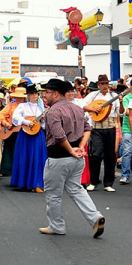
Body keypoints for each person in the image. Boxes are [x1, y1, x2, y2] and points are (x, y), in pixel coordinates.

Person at [40, 78, 105, 238]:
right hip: (77, 158)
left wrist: (71, 150)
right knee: (76, 189)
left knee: (53, 193)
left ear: (55, 94)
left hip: (59, 157)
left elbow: (59, 135)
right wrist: (80, 147)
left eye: (47, 92)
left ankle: (56, 226)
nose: (44, 95)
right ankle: (95, 216)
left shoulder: (53, 111)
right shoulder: (77, 108)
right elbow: (88, 128)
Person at [83, 74, 123, 192]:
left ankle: (108, 183)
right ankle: (94, 181)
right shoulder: (93, 95)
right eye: (103, 84)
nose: (105, 86)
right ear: (99, 85)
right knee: (96, 153)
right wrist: (92, 109)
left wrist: (120, 103)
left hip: (110, 127)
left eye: (107, 83)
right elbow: (82, 105)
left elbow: (120, 113)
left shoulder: (114, 96)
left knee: (110, 156)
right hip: (96, 128)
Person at [10, 84, 47, 192]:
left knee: (37, 157)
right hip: (25, 134)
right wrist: (26, 122)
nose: (35, 96)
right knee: (24, 156)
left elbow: (43, 124)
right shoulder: (23, 106)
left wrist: (43, 119)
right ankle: (24, 182)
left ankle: (36, 183)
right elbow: (15, 117)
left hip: (38, 134)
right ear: (28, 95)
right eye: (32, 94)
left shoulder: (41, 108)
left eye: (36, 93)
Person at [0, 87, 27, 176]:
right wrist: (6, 123)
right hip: (12, 132)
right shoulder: (11, 105)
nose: (18, 99)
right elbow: (1, 114)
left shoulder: (28, 106)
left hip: (24, 131)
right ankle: (8, 170)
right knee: (10, 150)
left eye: (20, 97)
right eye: (17, 97)